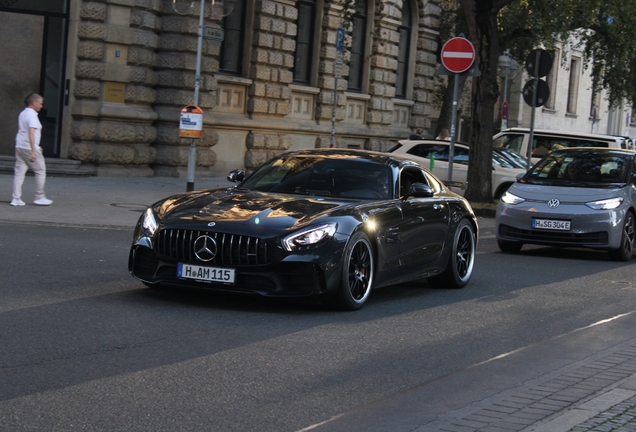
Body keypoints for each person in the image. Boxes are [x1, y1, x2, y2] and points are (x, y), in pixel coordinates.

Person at [11, 93, 52, 206]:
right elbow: (31, 132)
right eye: (40, 103)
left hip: (20, 145)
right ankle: (39, 196)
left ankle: (16, 198)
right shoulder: (32, 116)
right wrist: (34, 149)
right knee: (40, 171)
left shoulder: (23, 113)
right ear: (34, 103)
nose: (41, 106)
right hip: (28, 147)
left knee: (19, 172)